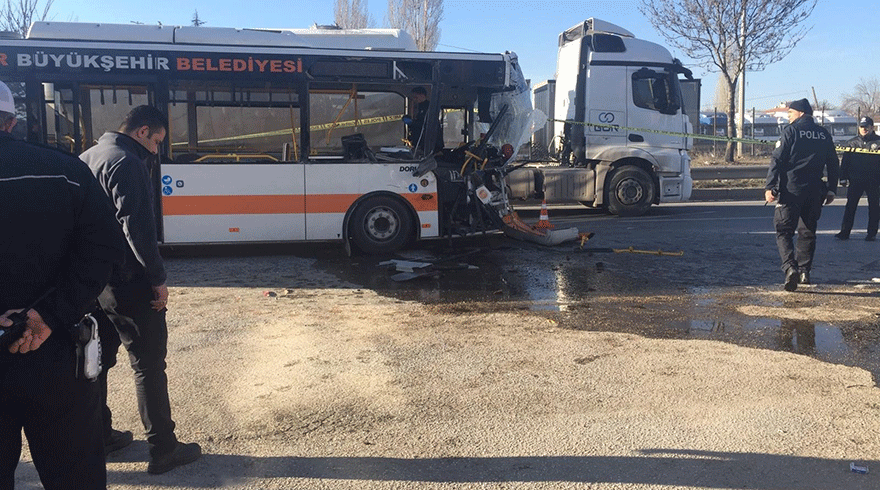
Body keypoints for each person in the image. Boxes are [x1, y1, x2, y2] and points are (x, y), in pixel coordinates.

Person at [0, 80, 125, 489]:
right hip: (59, 353)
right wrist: (47, 315)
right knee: (75, 475)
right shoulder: (66, 171)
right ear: (12, 121)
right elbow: (102, 251)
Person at [79, 105, 202, 475]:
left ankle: (99, 435)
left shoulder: (87, 157)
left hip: (94, 283)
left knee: (96, 363)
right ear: (142, 131)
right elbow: (138, 229)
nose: (156, 151)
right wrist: (158, 279)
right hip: (129, 283)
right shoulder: (127, 163)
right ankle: (163, 448)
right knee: (148, 364)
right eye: (157, 142)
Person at [765, 98, 839, 291]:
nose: (788, 116)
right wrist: (832, 189)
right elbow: (833, 163)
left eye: (790, 113)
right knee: (807, 232)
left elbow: (777, 160)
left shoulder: (791, 131)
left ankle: (790, 268)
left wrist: (770, 186)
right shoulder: (823, 134)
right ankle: (805, 271)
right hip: (815, 191)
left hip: (791, 190)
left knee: (784, 231)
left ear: (800, 113)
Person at [835, 116, 880, 241]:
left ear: (872, 127)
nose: (864, 129)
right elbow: (845, 162)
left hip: (874, 180)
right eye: (862, 126)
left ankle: (871, 233)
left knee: (874, 208)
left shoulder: (878, 142)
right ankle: (845, 232)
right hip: (856, 180)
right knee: (850, 206)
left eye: (866, 126)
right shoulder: (852, 142)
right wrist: (843, 178)